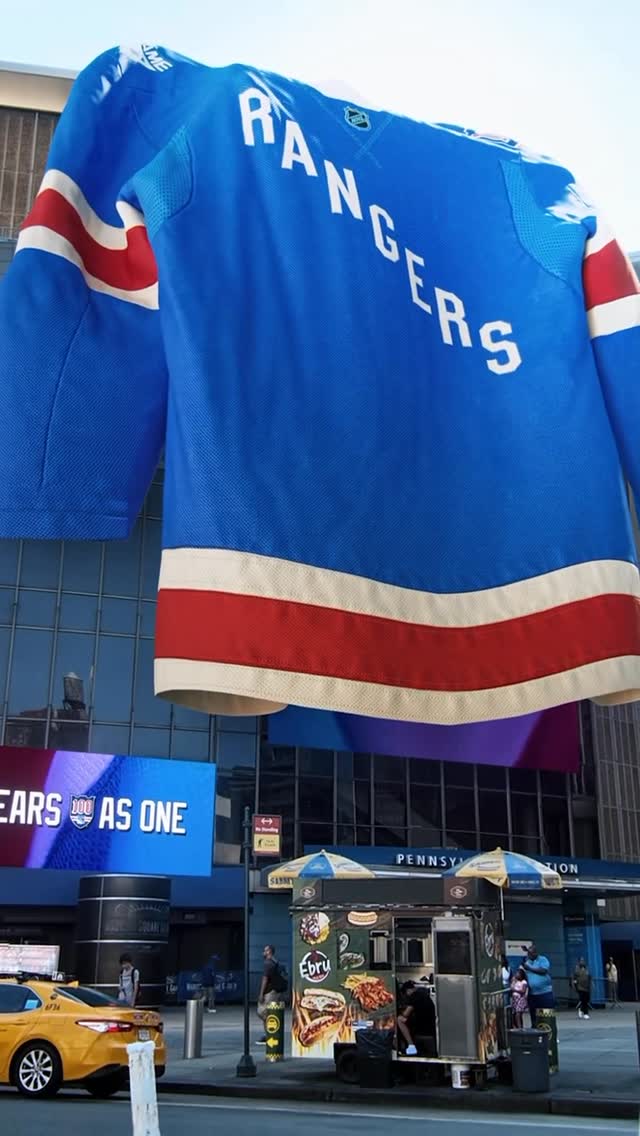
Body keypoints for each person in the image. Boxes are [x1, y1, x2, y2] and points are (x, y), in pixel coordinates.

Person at [256, 945, 287, 1045]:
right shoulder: (275, 962)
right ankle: (268, 1034)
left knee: (263, 1012)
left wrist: (261, 994)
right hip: (276, 992)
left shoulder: (268, 963)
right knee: (268, 1013)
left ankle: (270, 1034)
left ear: (269, 951)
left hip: (270, 992)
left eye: (265, 950)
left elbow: (265, 979)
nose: (263, 952)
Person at [397, 980, 437, 1056]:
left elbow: (405, 1014)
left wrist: (401, 1011)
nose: (406, 996)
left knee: (399, 1019)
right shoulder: (424, 995)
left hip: (422, 1027)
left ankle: (411, 1046)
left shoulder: (415, 996)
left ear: (408, 990)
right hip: (430, 1026)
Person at [522, 943, 554, 1028]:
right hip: (532, 994)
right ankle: (535, 1030)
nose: (529, 955)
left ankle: (548, 1030)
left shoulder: (543, 959)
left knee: (546, 1014)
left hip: (544, 993)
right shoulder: (527, 962)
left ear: (536, 953)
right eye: (528, 953)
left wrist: (529, 968)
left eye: (531, 953)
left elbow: (543, 971)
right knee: (534, 1015)